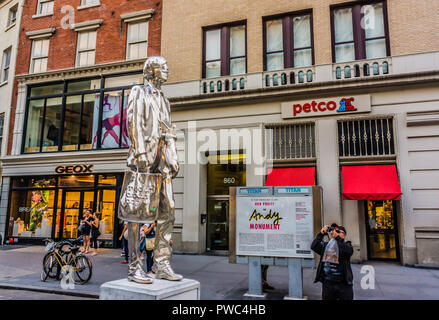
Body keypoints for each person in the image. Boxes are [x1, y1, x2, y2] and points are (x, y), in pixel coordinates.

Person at [118, 56, 182, 284]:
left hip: (161, 160)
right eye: (164, 68)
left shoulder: (164, 98)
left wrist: (172, 154)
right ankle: (135, 267)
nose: (168, 70)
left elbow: (167, 128)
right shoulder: (138, 91)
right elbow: (132, 121)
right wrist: (140, 152)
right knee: (136, 215)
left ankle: (161, 264)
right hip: (143, 159)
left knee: (169, 211)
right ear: (152, 71)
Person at [311, 223, 354, 300]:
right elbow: (314, 246)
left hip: (343, 284)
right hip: (328, 283)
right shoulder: (327, 246)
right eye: (334, 231)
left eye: (338, 231)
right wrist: (321, 234)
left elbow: (348, 251)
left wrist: (337, 238)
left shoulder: (347, 244)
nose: (335, 233)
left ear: (344, 235)